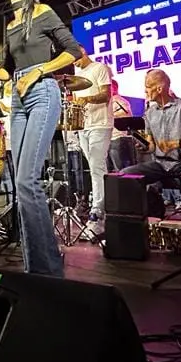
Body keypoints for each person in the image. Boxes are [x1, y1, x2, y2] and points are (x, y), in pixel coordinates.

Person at [0, 0, 82, 277]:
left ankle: (48, 269)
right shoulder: (10, 25)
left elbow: (74, 51)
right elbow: (9, 70)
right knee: (20, 185)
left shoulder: (43, 11)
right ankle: (34, 265)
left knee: (26, 180)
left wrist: (39, 71)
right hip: (18, 99)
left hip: (42, 92)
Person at [119, 69, 181, 257]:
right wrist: (144, 146)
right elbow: (152, 146)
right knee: (126, 175)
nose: (145, 92)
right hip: (160, 164)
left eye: (148, 87)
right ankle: (143, 230)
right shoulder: (149, 113)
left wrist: (175, 144)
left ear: (159, 88)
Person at [71, 46, 112, 234]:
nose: (74, 63)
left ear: (83, 52)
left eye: (75, 58)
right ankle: (100, 206)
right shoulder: (77, 72)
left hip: (100, 124)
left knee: (97, 168)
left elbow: (106, 95)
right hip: (84, 126)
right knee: (93, 168)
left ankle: (98, 212)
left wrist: (86, 99)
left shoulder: (100, 68)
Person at [107, 80, 135, 172]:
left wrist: (110, 116)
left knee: (120, 169)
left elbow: (127, 115)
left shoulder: (119, 101)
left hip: (118, 138)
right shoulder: (109, 101)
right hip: (109, 138)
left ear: (114, 88)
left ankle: (125, 186)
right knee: (111, 169)